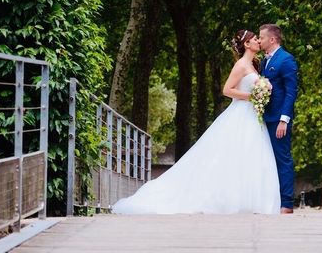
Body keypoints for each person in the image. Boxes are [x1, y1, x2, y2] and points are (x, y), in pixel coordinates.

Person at [112, 29, 280, 214]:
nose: (258, 41)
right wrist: (251, 96)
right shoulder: (240, 65)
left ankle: (249, 201)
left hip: (252, 115)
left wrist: (261, 94)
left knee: (250, 154)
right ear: (246, 44)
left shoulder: (256, 65)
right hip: (240, 113)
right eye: (255, 39)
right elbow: (227, 90)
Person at [259, 24, 298, 214]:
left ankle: (287, 204)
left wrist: (284, 120)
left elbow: (291, 92)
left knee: (283, 159)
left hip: (278, 120)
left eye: (262, 38)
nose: (259, 41)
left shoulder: (286, 60)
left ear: (272, 40)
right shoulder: (263, 62)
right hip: (264, 117)